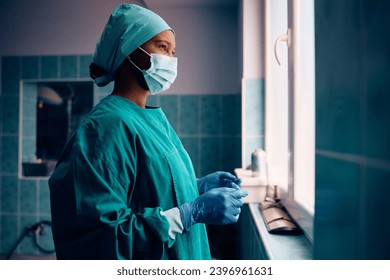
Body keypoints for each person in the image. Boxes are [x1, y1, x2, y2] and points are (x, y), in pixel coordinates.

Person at [49, 3, 248, 260]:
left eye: (173, 51)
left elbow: (146, 190)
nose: (171, 59)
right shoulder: (105, 128)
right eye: (162, 47)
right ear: (129, 50)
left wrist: (194, 187)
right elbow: (100, 237)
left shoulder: (151, 118)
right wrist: (190, 213)